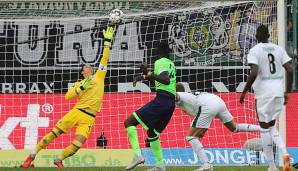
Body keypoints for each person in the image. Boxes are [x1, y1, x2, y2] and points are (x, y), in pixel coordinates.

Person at [20, 26, 115, 168]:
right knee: (53, 134)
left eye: (90, 65)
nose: (90, 66)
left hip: (89, 117)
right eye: (87, 66)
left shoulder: (99, 77)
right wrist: (82, 87)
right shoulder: (79, 83)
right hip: (76, 112)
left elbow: (104, 58)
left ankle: (59, 159)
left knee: (78, 144)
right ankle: (30, 157)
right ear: (83, 72)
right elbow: (67, 96)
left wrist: (107, 41)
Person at [240, 25, 293, 171]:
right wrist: (287, 92)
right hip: (278, 93)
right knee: (272, 128)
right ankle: (285, 154)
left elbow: (254, 71)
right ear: (269, 35)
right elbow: (290, 69)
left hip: (263, 94)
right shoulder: (278, 49)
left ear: (256, 36)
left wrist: (244, 91)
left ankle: (271, 166)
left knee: (264, 129)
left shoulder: (254, 50)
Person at [175, 82, 260, 171]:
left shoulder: (181, 95)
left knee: (191, 136)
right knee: (234, 128)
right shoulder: (189, 96)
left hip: (207, 106)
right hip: (217, 101)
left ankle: (206, 164)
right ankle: (263, 129)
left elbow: (175, 95)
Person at [124, 42, 176, 171]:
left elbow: (165, 79)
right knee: (152, 133)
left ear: (158, 51)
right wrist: (143, 75)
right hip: (170, 103)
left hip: (162, 100)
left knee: (129, 122)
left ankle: (137, 155)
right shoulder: (170, 63)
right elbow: (156, 77)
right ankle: (160, 164)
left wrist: (147, 72)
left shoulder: (160, 62)